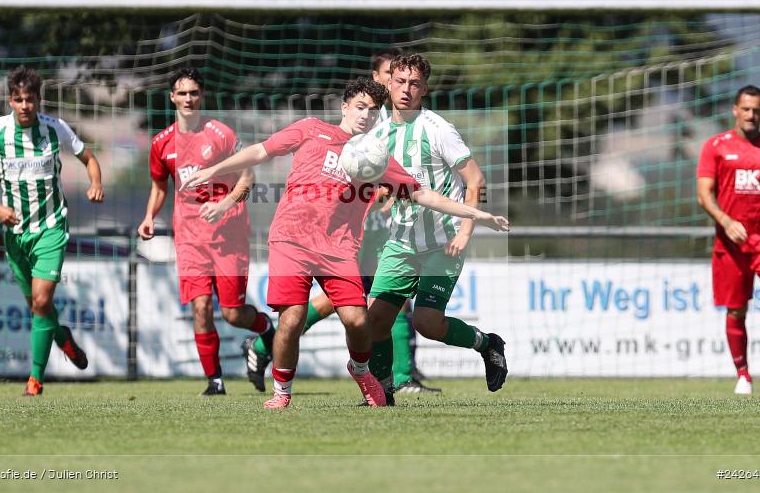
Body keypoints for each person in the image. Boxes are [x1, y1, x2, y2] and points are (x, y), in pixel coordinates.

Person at [188, 77, 508, 409]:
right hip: (290, 240)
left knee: (358, 321)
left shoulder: (377, 156)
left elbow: (423, 194)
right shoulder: (311, 129)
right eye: (360, 107)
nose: (366, 116)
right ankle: (281, 393)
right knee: (292, 318)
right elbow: (261, 150)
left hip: (339, 249)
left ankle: (360, 370)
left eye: (373, 111)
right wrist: (215, 170)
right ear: (344, 107)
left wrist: (477, 215)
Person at [241, 48, 441, 396]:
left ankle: (398, 376)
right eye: (392, 78)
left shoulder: (401, 123)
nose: (399, 86)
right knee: (354, 301)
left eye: (406, 81)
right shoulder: (365, 123)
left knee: (380, 300)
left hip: (378, 226)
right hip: (343, 231)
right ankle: (267, 346)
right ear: (381, 80)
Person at [367, 54, 508, 402]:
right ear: (388, 83)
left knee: (427, 323)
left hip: (443, 242)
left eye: (414, 83)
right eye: (400, 81)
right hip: (400, 241)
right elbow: (387, 181)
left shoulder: (438, 129)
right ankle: (382, 393)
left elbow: (475, 180)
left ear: (424, 89)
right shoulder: (379, 131)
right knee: (374, 321)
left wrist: (465, 231)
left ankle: (486, 343)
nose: (405, 89)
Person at [137, 67, 274, 396]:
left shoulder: (220, 134)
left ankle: (266, 330)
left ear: (202, 97)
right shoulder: (161, 143)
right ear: (172, 97)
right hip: (189, 239)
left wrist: (225, 204)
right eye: (182, 93)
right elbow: (159, 187)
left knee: (232, 313)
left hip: (229, 236)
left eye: (193, 93)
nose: (188, 99)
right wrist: (149, 216)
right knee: (200, 308)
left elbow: (248, 176)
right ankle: (215, 381)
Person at [0, 66, 100, 396]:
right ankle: (63, 338)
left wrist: (96, 182)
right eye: (18, 99)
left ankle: (35, 380)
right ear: (10, 100)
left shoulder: (55, 128)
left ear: (39, 100)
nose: (24, 105)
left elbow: (88, 158)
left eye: (30, 99)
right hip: (14, 233)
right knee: (36, 307)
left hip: (51, 227)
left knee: (42, 301)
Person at [697, 84, 760, 395]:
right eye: (746, 109)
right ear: (735, 110)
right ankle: (743, 375)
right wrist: (726, 221)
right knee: (736, 310)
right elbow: (704, 195)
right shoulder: (715, 146)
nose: (751, 115)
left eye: (757, 110)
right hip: (732, 243)